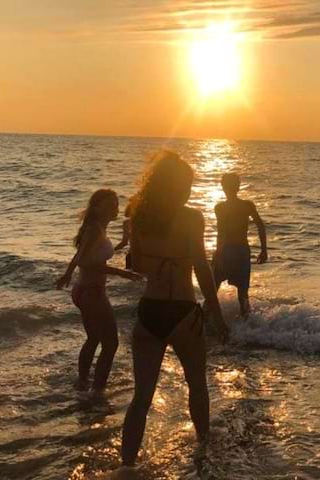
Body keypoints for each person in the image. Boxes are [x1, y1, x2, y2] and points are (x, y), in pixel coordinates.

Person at [120, 151, 230, 467]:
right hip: (183, 311)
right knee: (196, 386)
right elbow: (201, 268)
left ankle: (126, 466)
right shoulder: (192, 218)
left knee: (141, 398)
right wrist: (217, 316)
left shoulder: (139, 218)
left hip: (149, 310)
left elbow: (138, 266)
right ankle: (203, 452)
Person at [56, 189, 141, 392]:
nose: (115, 208)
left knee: (94, 338)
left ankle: (83, 382)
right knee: (111, 343)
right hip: (92, 292)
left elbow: (81, 255)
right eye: (110, 204)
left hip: (83, 289)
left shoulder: (96, 228)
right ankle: (98, 390)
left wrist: (68, 274)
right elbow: (86, 262)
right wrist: (121, 273)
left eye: (116, 204)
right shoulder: (95, 229)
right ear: (96, 207)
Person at [212, 173, 268, 319]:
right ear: (238, 186)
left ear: (223, 186)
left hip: (227, 251)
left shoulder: (220, 208)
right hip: (241, 251)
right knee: (243, 294)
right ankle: (247, 329)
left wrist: (217, 254)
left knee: (212, 290)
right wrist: (263, 250)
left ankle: (207, 323)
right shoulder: (246, 206)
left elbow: (221, 233)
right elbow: (260, 226)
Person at [114, 202, 132, 269]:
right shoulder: (147, 222)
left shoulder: (126, 223)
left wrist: (113, 251)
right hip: (147, 255)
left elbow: (124, 242)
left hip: (132, 254)